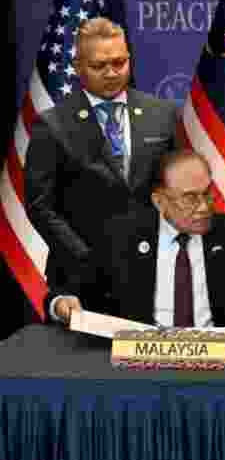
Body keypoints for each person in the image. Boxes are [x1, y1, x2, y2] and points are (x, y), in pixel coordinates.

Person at [25, 18, 181, 317]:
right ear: (79, 65)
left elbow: (176, 190)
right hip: (81, 278)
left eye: (119, 63)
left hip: (153, 276)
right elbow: (40, 206)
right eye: (99, 66)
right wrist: (87, 257)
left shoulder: (163, 115)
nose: (111, 73)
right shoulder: (52, 125)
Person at [47, 148, 225, 328]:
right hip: (139, 365)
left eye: (207, 194)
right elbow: (68, 293)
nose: (204, 207)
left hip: (220, 364)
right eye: (190, 198)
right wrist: (61, 305)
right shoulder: (118, 236)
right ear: (159, 201)